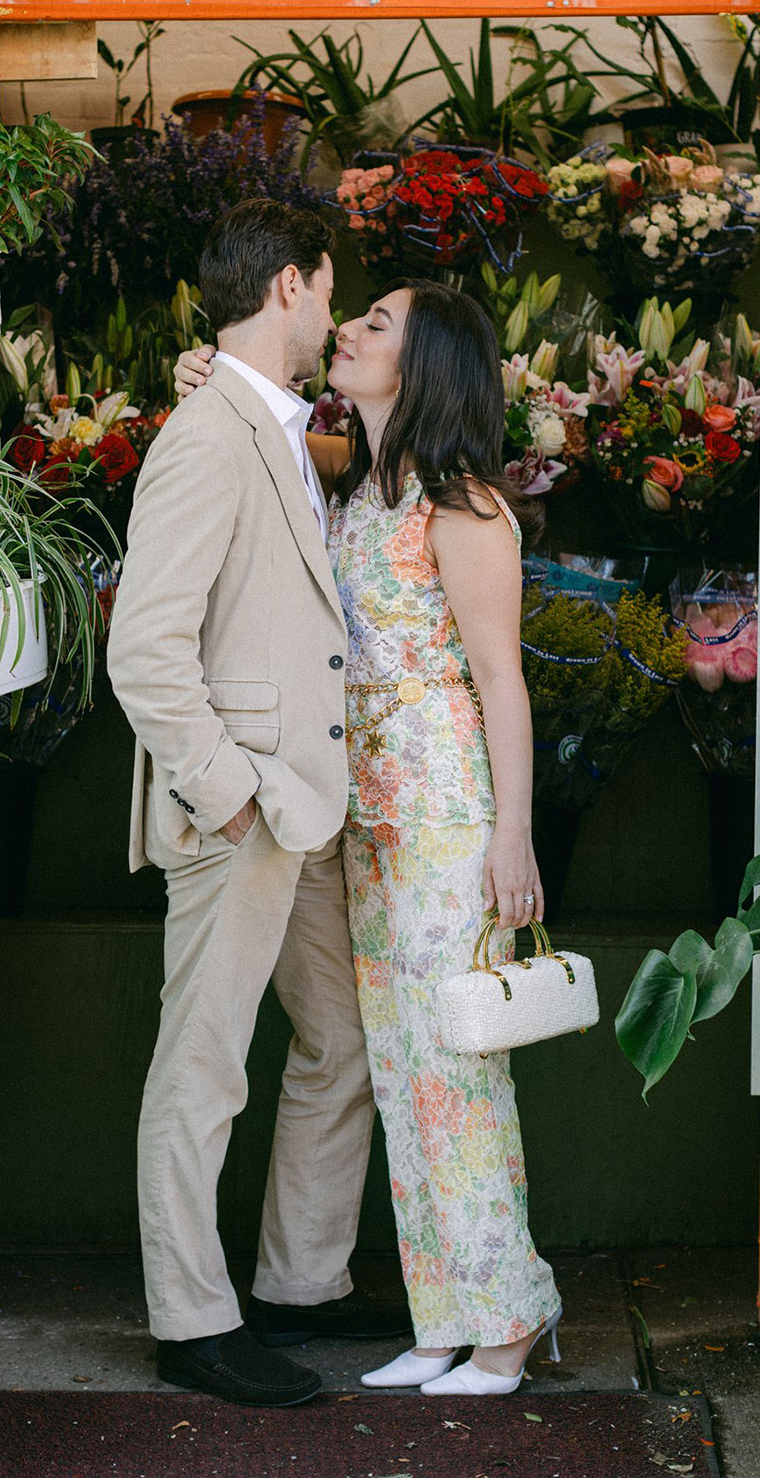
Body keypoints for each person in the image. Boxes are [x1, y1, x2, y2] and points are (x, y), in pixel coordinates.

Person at [174, 278, 562, 1397]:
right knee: (402, 1073)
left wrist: (514, 836)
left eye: (376, 323)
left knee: (457, 1071)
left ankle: (509, 1320)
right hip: (370, 822)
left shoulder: (467, 508)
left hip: (445, 811)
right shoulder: (359, 490)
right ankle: (446, 1315)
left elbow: (503, 680)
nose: (347, 330)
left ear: (425, 361)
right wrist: (204, 381)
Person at [106, 200, 409, 1411]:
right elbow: (146, 649)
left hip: (300, 809)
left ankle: (300, 1279)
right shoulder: (205, 433)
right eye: (331, 288)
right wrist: (229, 794)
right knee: (205, 1063)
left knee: (339, 1039)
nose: (335, 313)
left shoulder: (273, 421)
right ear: (290, 284)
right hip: (242, 808)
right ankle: (191, 1320)